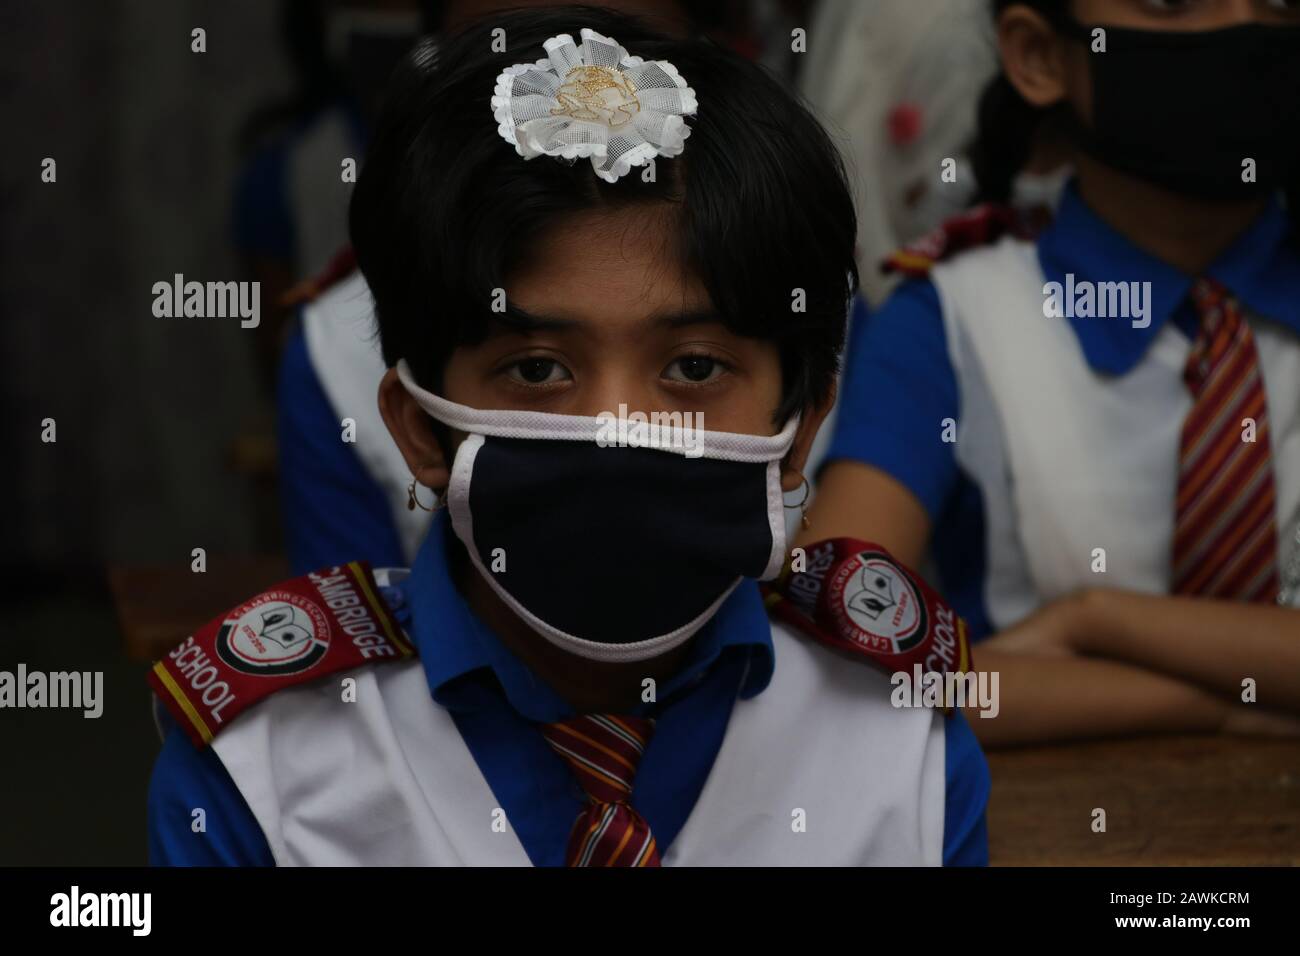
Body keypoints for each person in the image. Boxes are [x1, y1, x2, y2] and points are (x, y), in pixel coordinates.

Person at [147, 7, 990, 867]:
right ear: (420, 431)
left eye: (694, 369)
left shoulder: (899, 735)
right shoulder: (265, 766)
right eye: (540, 369)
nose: (615, 428)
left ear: (801, 431)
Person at [804, 0, 1300, 748]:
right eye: (1171, 1)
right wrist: (1218, 706)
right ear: (1038, 56)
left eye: (1279, 2)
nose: (1244, 25)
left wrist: (1092, 620)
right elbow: (832, 651)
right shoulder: (948, 321)